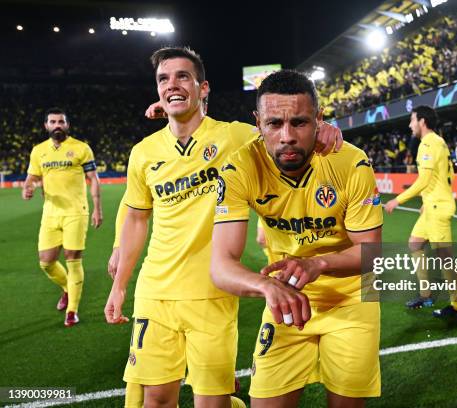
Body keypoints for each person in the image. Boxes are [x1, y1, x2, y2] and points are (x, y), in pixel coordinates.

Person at [104, 47, 342, 408]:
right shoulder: (144, 152)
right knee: (156, 399)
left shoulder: (235, 137)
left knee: (212, 401)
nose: (172, 84)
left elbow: (282, 131)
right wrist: (120, 286)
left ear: (204, 88)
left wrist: (323, 127)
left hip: (212, 293)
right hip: (156, 290)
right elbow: (137, 218)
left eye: (183, 76)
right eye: (163, 79)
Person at [210, 69, 383, 408]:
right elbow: (221, 265)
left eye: (300, 123)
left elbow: (372, 254)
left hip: (351, 302)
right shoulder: (240, 167)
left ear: (319, 119)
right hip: (285, 300)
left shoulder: (350, 162)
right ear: (258, 122)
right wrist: (266, 287)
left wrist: (318, 263)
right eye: (274, 124)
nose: (287, 136)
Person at [22, 107, 103, 327]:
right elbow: (32, 178)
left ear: (67, 125)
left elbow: (93, 179)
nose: (57, 125)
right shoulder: (39, 151)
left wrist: (98, 208)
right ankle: (68, 287)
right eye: (53, 122)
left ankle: (72, 310)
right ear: (46, 126)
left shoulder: (81, 148)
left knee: (72, 258)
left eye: (61, 122)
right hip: (50, 213)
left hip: (76, 212)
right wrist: (28, 188)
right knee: (46, 262)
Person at [384, 106, 457, 319]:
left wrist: (397, 200)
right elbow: (449, 174)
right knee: (415, 243)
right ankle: (425, 294)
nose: (410, 125)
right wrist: (428, 199)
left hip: (437, 208)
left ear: (422, 121)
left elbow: (424, 180)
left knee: (445, 258)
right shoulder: (438, 142)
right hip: (431, 205)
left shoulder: (428, 143)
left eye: (412, 120)